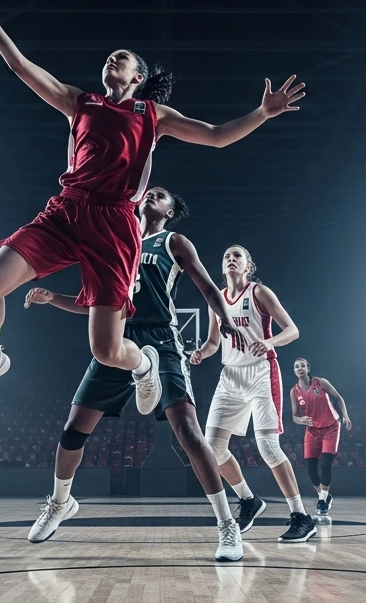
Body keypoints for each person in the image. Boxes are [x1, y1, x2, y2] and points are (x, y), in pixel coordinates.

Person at [0, 0, 307, 409]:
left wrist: (262, 113)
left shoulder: (153, 116)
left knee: (106, 350)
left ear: (137, 77)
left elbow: (217, 138)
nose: (110, 58)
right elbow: (21, 66)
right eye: (108, 56)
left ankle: (144, 365)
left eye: (121, 57)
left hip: (115, 227)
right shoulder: (80, 102)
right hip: (66, 210)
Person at [22, 186, 243, 561]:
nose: (153, 193)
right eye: (150, 190)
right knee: (73, 431)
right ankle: (60, 503)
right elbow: (96, 304)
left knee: (188, 432)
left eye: (162, 194)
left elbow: (207, 286)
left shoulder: (173, 242)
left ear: (171, 210)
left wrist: (224, 318)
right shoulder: (116, 238)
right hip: (119, 339)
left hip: (161, 340)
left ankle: (226, 524)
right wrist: (53, 299)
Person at [191, 246, 316, 543]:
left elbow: (293, 330)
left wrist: (270, 342)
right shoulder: (216, 299)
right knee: (213, 449)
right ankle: (249, 500)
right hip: (230, 377)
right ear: (222, 268)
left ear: (248, 266)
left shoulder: (259, 292)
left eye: (237, 256)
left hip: (260, 372)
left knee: (268, 447)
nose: (231, 259)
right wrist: (201, 353)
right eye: (226, 256)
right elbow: (212, 341)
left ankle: (301, 516)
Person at [290, 357, 351, 516]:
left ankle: (323, 500)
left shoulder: (320, 382)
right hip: (312, 431)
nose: (300, 368)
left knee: (325, 464)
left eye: (302, 365)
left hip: (331, 427)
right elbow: (295, 416)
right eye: (297, 366)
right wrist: (301, 420)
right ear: (294, 371)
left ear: (308, 368)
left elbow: (339, 398)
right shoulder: (294, 391)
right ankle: (323, 495)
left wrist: (345, 416)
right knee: (310, 469)